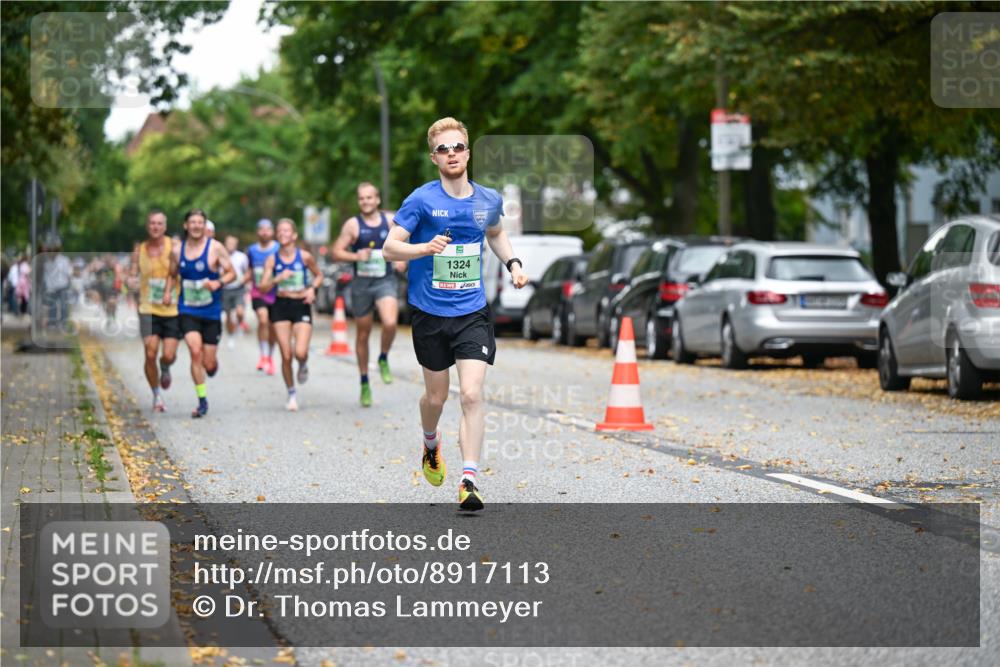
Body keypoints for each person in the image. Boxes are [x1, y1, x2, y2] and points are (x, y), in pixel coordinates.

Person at [383, 117, 528, 512]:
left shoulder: (487, 199)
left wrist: (513, 263)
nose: (452, 154)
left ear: (468, 152)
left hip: (472, 312)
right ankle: (431, 442)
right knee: (436, 396)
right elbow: (389, 248)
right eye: (444, 149)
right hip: (430, 312)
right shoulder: (421, 200)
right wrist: (423, 248)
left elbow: (496, 232)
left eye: (458, 147)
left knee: (472, 393)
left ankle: (469, 480)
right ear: (434, 157)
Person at [331, 182, 406, 407]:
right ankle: (364, 382)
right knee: (362, 334)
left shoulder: (391, 220)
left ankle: (383, 357)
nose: (365, 202)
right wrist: (356, 257)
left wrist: (401, 258)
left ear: (378, 200)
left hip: (385, 280)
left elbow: (404, 240)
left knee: (390, 322)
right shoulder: (353, 225)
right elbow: (336, 252)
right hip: (361, 285)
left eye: (369, 197)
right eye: (362, 198)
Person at [169, 209, 235, 418]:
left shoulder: (215, 248)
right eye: (193, 222)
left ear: (205, 226)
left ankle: (212, 366)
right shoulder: (177, 251)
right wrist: (167, 293)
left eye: (200, 222)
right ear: (185, 225)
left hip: (211, 312)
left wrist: (218, 282)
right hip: (187, 309)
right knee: (194, 352)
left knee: (208, 362)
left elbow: (232, 272)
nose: (196, 226)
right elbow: (171, 275)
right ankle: (202, 400)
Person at [258, 218, 322, 411]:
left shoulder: (304, 256)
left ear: (294, 235)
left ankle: (303, 364)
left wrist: (312, 289)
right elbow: (262, 287)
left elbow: (319, 275)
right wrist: (277, 278)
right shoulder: (272, 259)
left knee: (300, 352)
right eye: (280, 231)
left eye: (287, 231)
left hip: (301, 304)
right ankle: (291, 393)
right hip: (281, 305)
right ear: (277, 236)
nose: (283, 234)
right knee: (286, 355)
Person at [131, 209, 180, 412]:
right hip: (147, 307)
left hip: (172, 308)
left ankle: (166, 366)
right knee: (150, 353)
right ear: (147, 226)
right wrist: (130, 279)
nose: (155, 227)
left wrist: (168, 291)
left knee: (168, 354)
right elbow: (133, 272)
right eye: (152, 223)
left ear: (165, 227)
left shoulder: (174, 247)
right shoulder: (139, 249)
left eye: (159, 223)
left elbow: (177, 273)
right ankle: (156, 395)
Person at [246, 219, 279, 374]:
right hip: (258, 292)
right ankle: (263, 355)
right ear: (258, 232)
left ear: (272, 232)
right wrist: (242, 280)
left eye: (268, 229)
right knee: (263, 318)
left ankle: (270, 356)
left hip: (276, 293)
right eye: (262, 229)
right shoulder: (252, 250)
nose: (265, 232)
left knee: (273, 327)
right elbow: (250, 270)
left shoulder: (278, 248)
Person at [222, 234, 250, 347]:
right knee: (228, 315)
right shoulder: (221, 256)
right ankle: (231, 335)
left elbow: (248, 271)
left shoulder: (242, 257)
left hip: (239, 288)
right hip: (225, 289)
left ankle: (239, 324)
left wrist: (244, 280)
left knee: (239, 311)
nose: (231, 246)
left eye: (233, 243)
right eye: (229, 243)